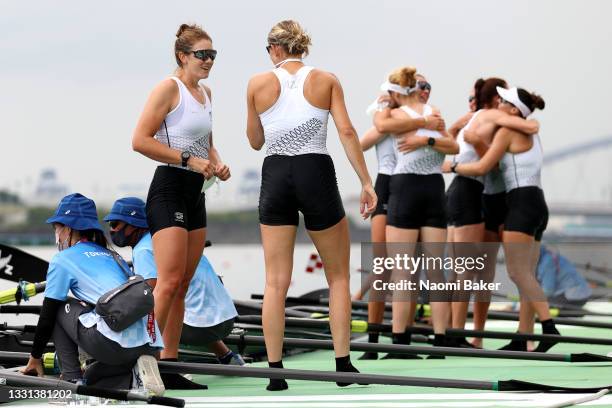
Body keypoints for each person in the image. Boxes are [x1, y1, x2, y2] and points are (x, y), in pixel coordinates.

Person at [245, 20, 376, 390]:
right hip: (314, 169)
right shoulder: (326, 79)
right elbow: (347, 132)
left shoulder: (257, 84)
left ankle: (275, 373)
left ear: (274, 49)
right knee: (337, 276)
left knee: (275, 281)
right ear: (302, 47)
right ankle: (342, 365)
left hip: (276, 173)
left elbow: (255, 141)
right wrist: (366, 182)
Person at [132, 23, 230, 388]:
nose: (209, 61)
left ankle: (170, 365)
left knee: (183, 283)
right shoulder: (167, 89)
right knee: (168, 281)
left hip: (196, 192)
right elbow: (139, 140)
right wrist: (189, 160)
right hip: (169, 188)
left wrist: (217, 162)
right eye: (202, 55)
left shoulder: (206, 92)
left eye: (213, 55)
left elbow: (207, 143)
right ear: (182, 56)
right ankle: (141, 361)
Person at [449, 86, 560, 352]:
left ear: (512, 110)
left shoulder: (509, 131)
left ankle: (548, 327)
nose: (497, 104)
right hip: (538, 204)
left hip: (520, 205)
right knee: (528, 275)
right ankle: (524, 336)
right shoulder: (528, 132)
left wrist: (451, 167)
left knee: (517, 272)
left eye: (503, 101)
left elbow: (484, 166)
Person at [20, 193, 164, 396]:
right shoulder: (113, 255)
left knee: (58, 306)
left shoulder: (62, 259)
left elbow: (47, 316)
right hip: (148, 345)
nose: (56, 235)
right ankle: (133, 374)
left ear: (68, 228)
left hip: (113, 346)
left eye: (56, 228)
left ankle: (71, 377)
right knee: (93, 374)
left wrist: (35, 359)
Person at [104, 197, 246, 378]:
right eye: (109, 224)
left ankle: (168, 364)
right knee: (184, 299)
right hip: (226, 321)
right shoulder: (170, 238)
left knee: (153, 306)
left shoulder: (143, 249)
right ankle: (227, 356)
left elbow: (149, 298)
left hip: (200, 328)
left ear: (133, 223)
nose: (111, 229)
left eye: (115, 223)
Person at [377, 67, 458, 359]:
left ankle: (401, 342)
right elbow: (453, 144)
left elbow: (454, 145)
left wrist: (425, 139)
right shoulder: (432, 114)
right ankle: (438, 341)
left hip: (409, 189)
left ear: (398, 91)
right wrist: (429, 129)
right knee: (434, 270)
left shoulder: (403, 114)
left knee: (403, 270)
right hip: (432, 187)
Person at [354, 74, 435, 360]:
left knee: (409, 270)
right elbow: (363, 143)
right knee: (382, 267)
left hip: (411, 186)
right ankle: (374, 339)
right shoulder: (389, 117)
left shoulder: (424, 116)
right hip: (386, 184)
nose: (423, 91)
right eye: (418, 86)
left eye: (427, 87)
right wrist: (384, 115)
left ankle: (404, 336)